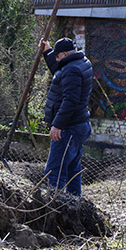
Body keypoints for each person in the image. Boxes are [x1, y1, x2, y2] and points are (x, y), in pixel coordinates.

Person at [39, 37, 94, 196]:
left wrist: (57, 125)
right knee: (72, 170)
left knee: (54, 172)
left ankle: (54, 207)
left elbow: (70, 101)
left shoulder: (72, 70)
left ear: (64, 54)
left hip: (68, 128)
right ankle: (75, 204)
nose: (56, 58)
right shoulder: (82, 62)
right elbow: (60, 71)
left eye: (57, 55)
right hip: (80, 124)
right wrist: (48, 51)